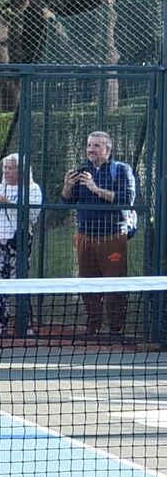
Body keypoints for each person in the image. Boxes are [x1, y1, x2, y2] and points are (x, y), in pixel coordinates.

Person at [61, 130, 136, 337]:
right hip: (85, 236)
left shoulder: (121, 170)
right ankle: (93, 327)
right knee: (88, 283)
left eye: (96, 146)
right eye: (89, 145)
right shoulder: (81, 171)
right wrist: (67, 186)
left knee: (114, 284)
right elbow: (67, 201)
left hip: (112, 236)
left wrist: (95, 189)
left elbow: (126, 200)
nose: (91, 150)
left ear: (108, 149)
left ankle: (115, 329)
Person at [0, 153, 42, 335]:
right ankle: (2, 324)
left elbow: (32, 215)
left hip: (19, 240)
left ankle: (26, 324)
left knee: (20, 281)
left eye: (11, 168)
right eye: (5, 168)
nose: (7, 171)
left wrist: (7, 203)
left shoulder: (32, 189)